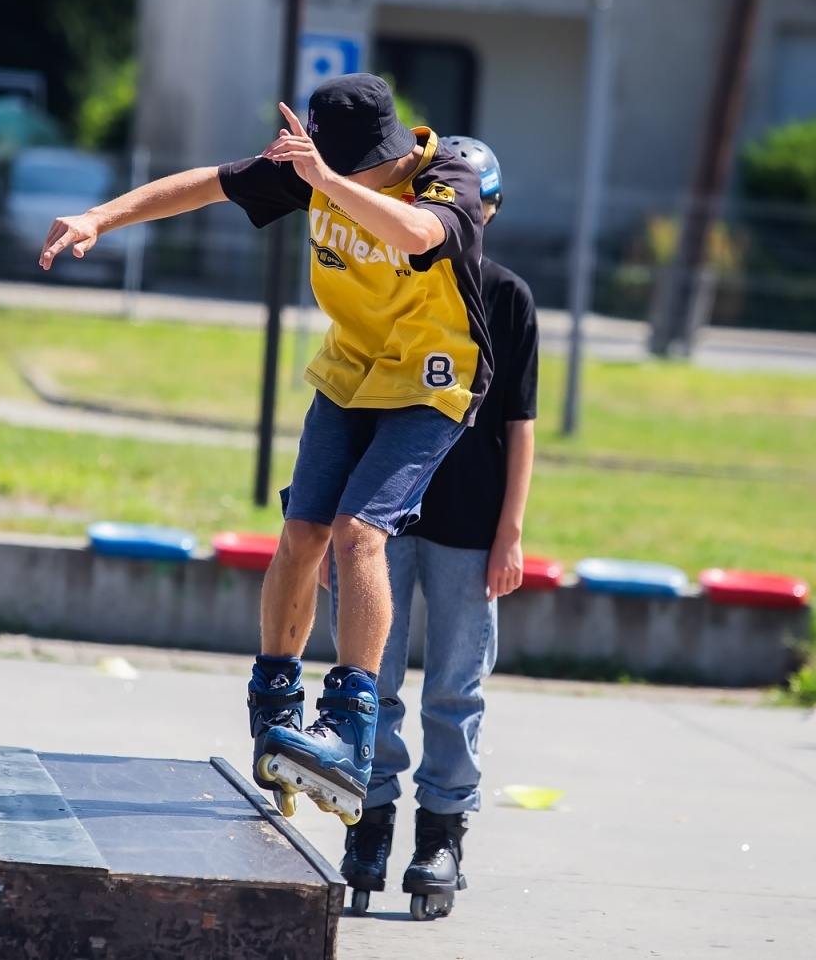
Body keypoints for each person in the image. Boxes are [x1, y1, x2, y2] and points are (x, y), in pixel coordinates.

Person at [39, 74, 489, 824]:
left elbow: (415, 236)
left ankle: (350, 727)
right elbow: (204, 185)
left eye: (354, 177)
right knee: (302, 533)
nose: (339, 190)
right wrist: (99, 217)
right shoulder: (307, 169)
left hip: (431, 385)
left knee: (357, 535)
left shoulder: (450, 180)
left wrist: (324, 179)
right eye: (330, 176)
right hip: (350, 372)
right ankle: (275, 702)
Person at [328, 137, 537, 920]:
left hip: (467, 525)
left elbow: (519, 423)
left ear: (489, 213)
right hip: (382, 521)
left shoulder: (508, 296)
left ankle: (441, 835)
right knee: (372, 684)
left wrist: (510, 530)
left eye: (476, 209)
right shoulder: (389, 282)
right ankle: (370, 823)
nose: (462, 220)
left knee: (456, 686)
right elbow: (351, 401)